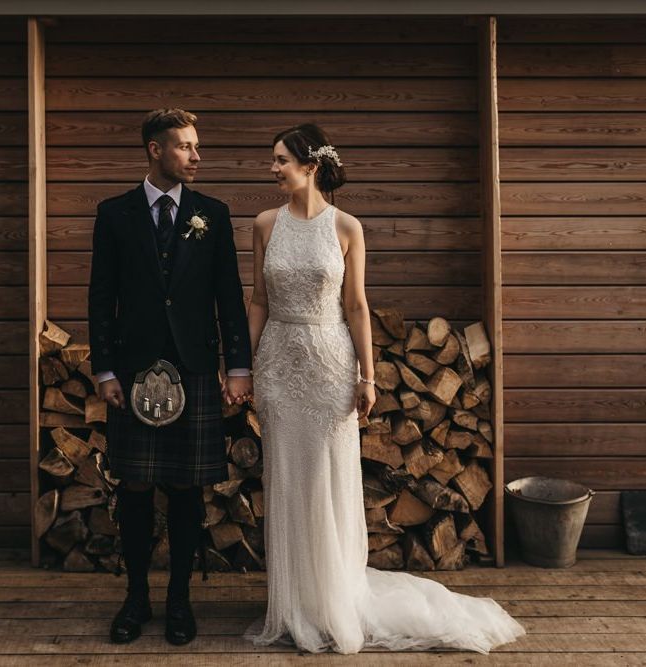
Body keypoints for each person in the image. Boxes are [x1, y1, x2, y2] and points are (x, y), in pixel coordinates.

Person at [245, 123, 527, 654]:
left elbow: (355, 305)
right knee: (286, 477)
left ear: (309, 166)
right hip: (278, 365)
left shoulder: (347, 227)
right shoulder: (264, 224)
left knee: (328, 479)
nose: (273, 168)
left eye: (281, 159)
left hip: (330, 363)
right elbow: (258, 299)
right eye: (273, 159)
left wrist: (367, 376)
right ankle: (296, 604)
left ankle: (334, 601)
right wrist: (238, 362)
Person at [87, 108, 253, 646]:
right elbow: (100, 295)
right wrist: (105, 368)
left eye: (196, 145)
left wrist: (239, 365)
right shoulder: (114, 213)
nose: (196, 155)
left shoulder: (214, 213)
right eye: (184, 146)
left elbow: (230, 295)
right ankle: (136, 597)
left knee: (186, 488)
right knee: (134, 487)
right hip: (133, 369)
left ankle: (180, 600)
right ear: (155, 150)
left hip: (196, 366)